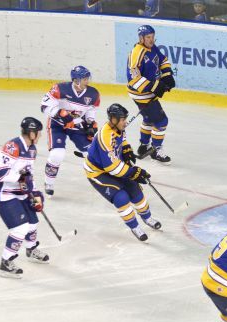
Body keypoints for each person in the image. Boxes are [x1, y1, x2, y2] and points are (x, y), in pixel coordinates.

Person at [85, 103, 161, 241]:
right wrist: (134, 172)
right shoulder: (105, 136)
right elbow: (111, 168)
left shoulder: (118, 128)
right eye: (122, 119)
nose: (125, 122)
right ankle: (134, 227)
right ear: (113, 119)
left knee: (135, 191)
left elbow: (121, 139)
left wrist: (126, 149)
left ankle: (148, 218)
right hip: (99, 172)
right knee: (121, 197)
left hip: (115, 166)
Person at [0, 117, 49, 278]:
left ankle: (31, 250)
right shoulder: (12, 147)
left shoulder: (32, 149)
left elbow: (29, 175)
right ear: (31, 133)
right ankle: (6, 263)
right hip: (3, 193)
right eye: (38, 133)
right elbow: (1, 174)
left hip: (20, 192)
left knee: (33, 222)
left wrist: (35, 193)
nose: (40, 136)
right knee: (20, 228)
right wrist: (21, 178)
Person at [40, 65, 100, 196]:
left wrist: (90, 123)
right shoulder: (60, 88)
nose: (87, 81)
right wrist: (60, 113)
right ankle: (49, 181)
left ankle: (104, 177)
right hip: (57, 125)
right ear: (76, 80)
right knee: (57, 154)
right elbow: (44, 106)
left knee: (92, 151)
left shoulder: (93, 94)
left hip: (76, 125)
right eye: (84, 79)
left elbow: (91, 110)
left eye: (87, 78)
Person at [126, 25, 175, 164]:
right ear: (141, 38)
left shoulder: (153, 48)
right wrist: (155, 87)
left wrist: (167, 76)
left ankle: (143, 145)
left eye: (152, 36)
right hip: (140, 93)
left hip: (147, 91)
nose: (151, 39)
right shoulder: (137, 53)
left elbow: (163, 60)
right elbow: (134, 79)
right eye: (148, 37)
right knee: (161, 121)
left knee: (148, 119)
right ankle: (156, 150)